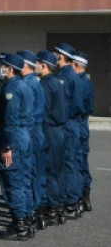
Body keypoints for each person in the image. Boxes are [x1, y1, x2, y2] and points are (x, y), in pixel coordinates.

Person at [0, 53, 34, 240]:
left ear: (9, 68)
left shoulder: (12, 88)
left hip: (13, 137)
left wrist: (6, 145)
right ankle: (25, 219)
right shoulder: (23, 85)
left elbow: (10, 118)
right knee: (23, 179)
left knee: (12, 181)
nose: (0, 69)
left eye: (2, 66)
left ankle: (20, 225)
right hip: (23, 135)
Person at [52, 42, 84, 219]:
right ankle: (74, 199)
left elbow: (64, 105)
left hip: (68, 124)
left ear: (61, 56)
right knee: (70, 163)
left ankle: (70, 202)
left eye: (55, 54)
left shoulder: (65, 77)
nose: (53, 57)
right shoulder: (72, 75)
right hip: (72, 123)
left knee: (66, 164)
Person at [35, 50, 67, 226]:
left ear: (44, 65)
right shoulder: (57, 82)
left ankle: (52, 210)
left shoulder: (46, 84)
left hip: (49, 130)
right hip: (59, 130)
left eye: (38, 63)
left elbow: (44, 111)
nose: (36, 67)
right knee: (58, 171)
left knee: (50, 171)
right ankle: (59, 207)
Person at [17, 49, 46, 230]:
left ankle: (33, 210)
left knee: (31, 172)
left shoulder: (28, 83)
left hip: (31, 130)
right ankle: (37, 209)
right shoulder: (32, 81)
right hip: (35, 130)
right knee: (35, 171)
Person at [71, 51, 94, 212]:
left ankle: (79, 198)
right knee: (82, 161)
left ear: (76, 65)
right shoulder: (86, 81)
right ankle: (85, 197)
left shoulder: (79, 83)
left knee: (76, 161)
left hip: (77, 123)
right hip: (83, 124)